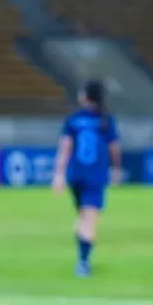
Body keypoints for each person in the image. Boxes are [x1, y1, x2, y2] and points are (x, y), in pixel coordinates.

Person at [51, 80, 122, 277]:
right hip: (95, 175)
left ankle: (82, 252)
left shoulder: (73, 120)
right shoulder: (105, 120)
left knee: (82, 216)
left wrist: (58, 174)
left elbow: (65, 148)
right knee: (89, 220)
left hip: (75, 175)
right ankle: (83, 262)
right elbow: (114, 148)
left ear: (85, 96)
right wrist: (116, 169)